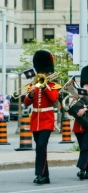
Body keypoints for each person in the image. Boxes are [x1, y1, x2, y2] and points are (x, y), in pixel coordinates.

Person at [23, 50, 61, 185]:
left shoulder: (52, 85)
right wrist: (31, 94)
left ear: (47, 72)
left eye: (44, 73)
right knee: (39, 148)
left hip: (47, 119)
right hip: (35, 119)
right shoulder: (32, 85)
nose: (42, 74)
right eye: (40, 72)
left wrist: (45, 87)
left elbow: (53, 98)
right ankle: (45, 175)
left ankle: (39, 174)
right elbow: (26, 102)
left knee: (41, 146)